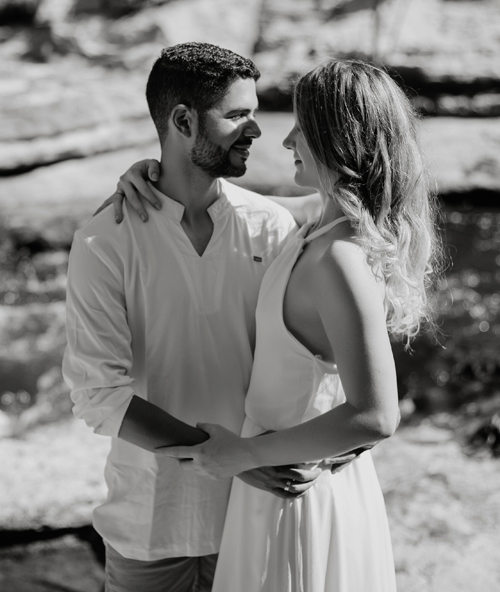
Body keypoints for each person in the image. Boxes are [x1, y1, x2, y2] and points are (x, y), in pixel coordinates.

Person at [127, 57, 440, 591]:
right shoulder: (316, 223)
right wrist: (152, 177)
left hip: (293, 494)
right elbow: (228, 205)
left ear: (338, 140)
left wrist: (245, 455)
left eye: (302, 127)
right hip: (275, 483)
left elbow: (376, 414)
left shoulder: (338, 260)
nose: (288, 139)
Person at [63, 42, 339, 592]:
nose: (256, 130)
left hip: (257, 516)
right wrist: (236, 459)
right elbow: (99, 396)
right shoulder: (104, 241)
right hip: (150, 524)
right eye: (237, 115)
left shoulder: (272, 226)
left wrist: (252, 459)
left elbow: (347, 212)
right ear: (184, 121)